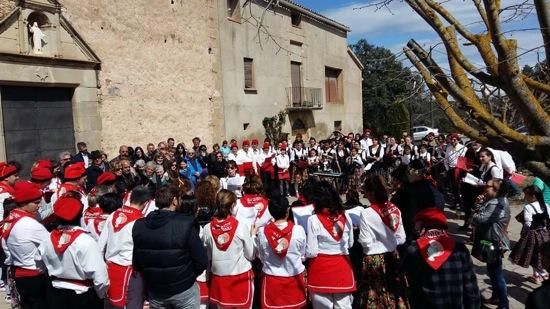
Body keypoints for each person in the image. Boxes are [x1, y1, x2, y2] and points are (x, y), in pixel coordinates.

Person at [132, 185, 208, 308]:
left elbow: (137, 263)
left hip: (157, 289)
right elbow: (201, 260)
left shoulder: (140, 225)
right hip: (182, 289)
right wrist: (188, 277)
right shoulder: (185, 223)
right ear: (174, 200)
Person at [38, 196, 109, 309]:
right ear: (80, 216)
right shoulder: (86, 241)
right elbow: (100, 277)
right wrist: (101, 295)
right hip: (83, 296)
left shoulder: (47, 238)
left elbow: (39, 263)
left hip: (56, 293)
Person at [402, 207, 480, 308]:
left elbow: (409, 284)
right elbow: (471, 287)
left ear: (421, 227)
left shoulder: (413, 250)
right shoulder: (460, 249)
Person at [358, 175, 408, 308]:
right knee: (394, 293)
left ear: (370, 193)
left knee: (375, 296)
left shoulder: (366, 213)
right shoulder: (395, 210)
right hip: (393, 256)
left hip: (374, 259)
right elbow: (402, 238)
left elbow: (366, 241)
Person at [305, 181, 356, 308]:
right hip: (342, 267)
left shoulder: (313, 219)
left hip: (320, 269)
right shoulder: (346, 216)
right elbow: (350, 244)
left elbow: (312, 251)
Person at [99, 186, 150, 309]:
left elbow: (100, 245)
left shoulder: (113, 215)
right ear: (146, 203)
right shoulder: (142, 221)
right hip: (131, 272)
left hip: (109, 269)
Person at [202, 190, 255, 309]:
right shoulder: (241, 226)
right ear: (232, 206)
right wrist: (253, 236)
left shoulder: (207, 228)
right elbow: (251, 254)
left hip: (220, 279)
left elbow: (209, 256)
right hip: (240, 277)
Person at [3, 181, 49, 309]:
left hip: (18, 272)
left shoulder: (10, 218)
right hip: (34, 275)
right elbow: (51, 245)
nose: (39, 206)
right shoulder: (30, 224)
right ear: (23, 203)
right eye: (36, 203)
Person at [255, 197, 307, 309]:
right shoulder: (298, 230)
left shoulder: (262, 232)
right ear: (287, 211)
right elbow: (303, 255)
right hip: (294, 280)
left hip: (272, 281)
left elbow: (261, 256)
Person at [472, 179, 511, 308]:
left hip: (493, 242)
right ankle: (496, 297)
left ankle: (504, 304)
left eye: (487, 186)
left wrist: (476, 208)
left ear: (496, 190)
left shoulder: (496, 204)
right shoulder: (494, 201)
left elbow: (481, 219)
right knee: (493, 271)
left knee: (496, 273)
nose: (484, 187)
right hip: (490, 240)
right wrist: (480, 204)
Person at [509, 185, 550, 283]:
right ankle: (536, 276)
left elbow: (528, 223)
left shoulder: (528, 207)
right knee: (539, 257)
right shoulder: (546, 205)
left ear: (533, 196)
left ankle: (545, 276)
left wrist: (525, 234)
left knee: (533, 257)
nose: (525, 197)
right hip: (545, 234)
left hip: (533, 235)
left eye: (527, 195)